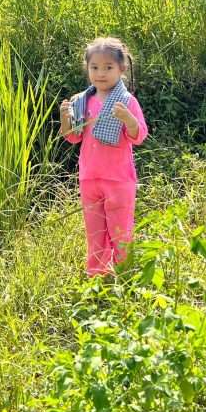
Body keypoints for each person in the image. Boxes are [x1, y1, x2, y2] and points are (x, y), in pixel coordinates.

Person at [59, 36, 149, 276]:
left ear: (122, 68)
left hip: (119, 179)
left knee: (120, 230)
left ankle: (124, 273)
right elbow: (72, 136)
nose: (101, 73)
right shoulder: (82, 101)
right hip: (89, 177)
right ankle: (98, 276)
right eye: (95, 67)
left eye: (108, 67)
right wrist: (65, 117)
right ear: (87, 68)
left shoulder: (127, 101)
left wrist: (129, 120)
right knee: (95, 230)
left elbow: (139, 136)